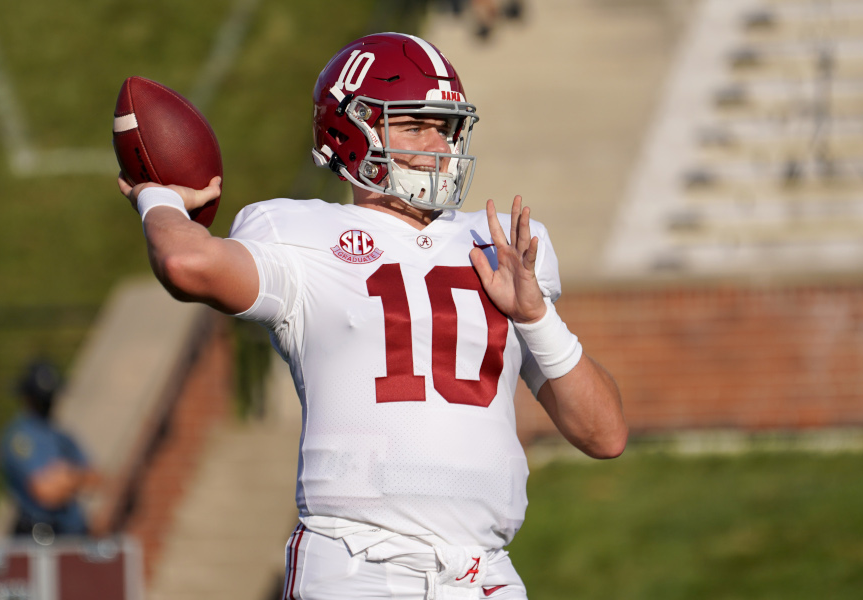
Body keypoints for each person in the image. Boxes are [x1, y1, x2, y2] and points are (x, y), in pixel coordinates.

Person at [120, 32, 626, 600]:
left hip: (484, 574)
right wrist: (158, 195)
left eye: (448, 125)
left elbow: (604, 435)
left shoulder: (499, 245)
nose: (440, 144)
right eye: (414, 124)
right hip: (359, 566)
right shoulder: (300, 233)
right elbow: (186, 260)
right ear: (350, 132)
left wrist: (536, 317)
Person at [0, 360, 100, 538]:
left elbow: (95, 477)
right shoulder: (20, 437)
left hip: (72, 532)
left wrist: (66, 476)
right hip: (40, 535)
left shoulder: (60, 435)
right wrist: (72, 478)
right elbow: (44, 491)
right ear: (28, 397)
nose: (48, 402)